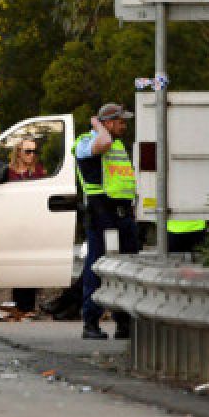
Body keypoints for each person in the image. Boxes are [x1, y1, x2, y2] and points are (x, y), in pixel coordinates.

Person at [74, 103, 138, 340]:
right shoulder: (86, 142)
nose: (124, 125)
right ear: (107, 123)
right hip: (101, 214)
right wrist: (97, 125)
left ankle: (123, 322)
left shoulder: (119, 145)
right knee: (97, 269)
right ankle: (91, 322)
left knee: (127, 270)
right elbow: (104, 143)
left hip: (122, 214)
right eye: (120, 121)